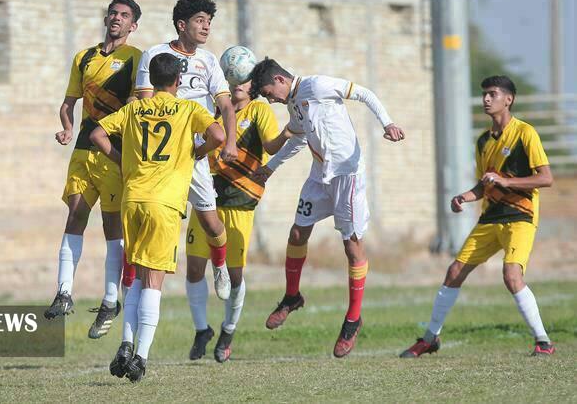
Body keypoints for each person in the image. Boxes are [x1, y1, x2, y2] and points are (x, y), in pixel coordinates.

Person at [250, 58, 405, 358]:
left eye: (269, 93)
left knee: (352, 247)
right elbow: (297, 140)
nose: (270, 99)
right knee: (297, 234)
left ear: (280, 79)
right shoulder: (294, 104)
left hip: (347, 174)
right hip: (320, 175)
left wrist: (387, 123)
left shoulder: (316, 85)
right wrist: (270, 168)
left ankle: (353, 319)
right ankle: (292, 296)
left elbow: (364, 93)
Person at [92, 52, 224, 382]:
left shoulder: (134, 108)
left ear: (149, 80)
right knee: (154, 281)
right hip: (164, 204)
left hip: (132, 199)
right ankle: (140, 357)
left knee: (136, 275)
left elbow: (96, 135)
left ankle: (125, 343)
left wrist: (122, 160)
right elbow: (219, 136)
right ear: (178, 81)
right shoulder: (189, 108)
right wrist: (198, 151)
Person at [400, 76, 555, 358]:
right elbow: (485, 186)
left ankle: (543, 341)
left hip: (520, 217)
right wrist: (464, 197)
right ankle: (430, 338)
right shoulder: (483, 140)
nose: (486, 99)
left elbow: (546, 178)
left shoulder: (525, 133)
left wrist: (507, 182)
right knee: (454, 272)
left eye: (492, 94)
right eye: (484, 94)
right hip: (490, 219)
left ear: (508, 100)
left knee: (511, 275)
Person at [44, 0, 143, 341]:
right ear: (106, 18)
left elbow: (140, 102)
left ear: (133, 26)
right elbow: (68, 102)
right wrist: (68, 127)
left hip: (114, 151)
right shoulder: (84, 57)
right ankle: (64, 292)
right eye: (113, 13)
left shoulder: (136, 59)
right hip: (83, 147)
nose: (116, 18)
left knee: (111, 227)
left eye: (124, 15)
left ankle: (110, 299)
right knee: (75, 214)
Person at [135, 0, 238, 305]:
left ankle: (219, 264)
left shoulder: (208, 61)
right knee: (146, 221)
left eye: (209, 21)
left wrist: (228, 142)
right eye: (199, 21)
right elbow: (143, 101)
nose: (206, 26)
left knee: (210, 222)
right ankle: (129, 289)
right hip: (160, 154)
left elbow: (225, 105)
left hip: (194, 154)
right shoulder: (154, 55)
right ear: (182, 25)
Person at [185, 79, 293, 362]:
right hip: (206, 199)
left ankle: (228, 330)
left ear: (253, 85)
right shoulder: (213, 111)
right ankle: (201, 330)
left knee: (234, 277)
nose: (237, 84)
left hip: (240, 202)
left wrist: (288, 132)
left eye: (244, 79)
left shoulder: (258, 110)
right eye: (232, 77)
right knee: (195, 268)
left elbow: (270, 145)